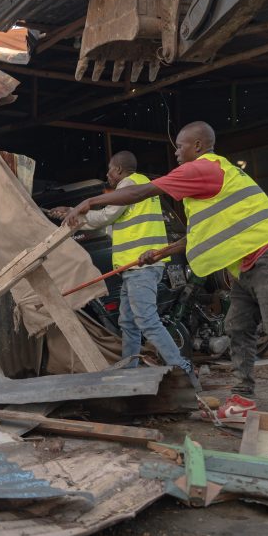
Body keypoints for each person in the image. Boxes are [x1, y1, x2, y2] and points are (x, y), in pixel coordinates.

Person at [64, 121, 268, 420]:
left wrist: (88, 201)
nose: (176, 153)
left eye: (180, 146)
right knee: (237, 328)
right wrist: (161, 252)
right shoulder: (203, 186)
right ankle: (243, 400)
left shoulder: (203, 168)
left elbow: (141, 192)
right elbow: (196, 236)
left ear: (198, 146)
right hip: (247, 262)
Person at [50, 152, 193, 376]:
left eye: (109, 169)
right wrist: (71, 213)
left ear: (118, 170)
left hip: (141, 266)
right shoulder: (144, 185)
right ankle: (130, 371)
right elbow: (112, 222)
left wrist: (77, 215)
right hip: (136, 266)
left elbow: (106, 216)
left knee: (146, 320)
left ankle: (182, 368)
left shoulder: (128, 186)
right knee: (128, 322)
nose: (107, 174)